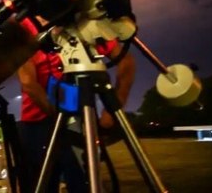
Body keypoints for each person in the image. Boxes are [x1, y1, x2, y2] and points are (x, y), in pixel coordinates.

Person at [17, 19, 135, 193]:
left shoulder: (82, 22)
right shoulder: (25, 27)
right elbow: (27, 82)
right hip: (38, 124)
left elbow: (126, 61)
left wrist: (113, 107)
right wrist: (59, 117)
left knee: (83, 185)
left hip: (81, 120)